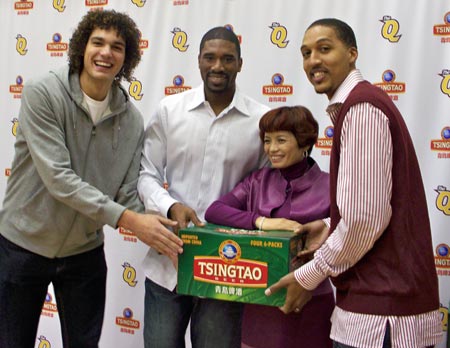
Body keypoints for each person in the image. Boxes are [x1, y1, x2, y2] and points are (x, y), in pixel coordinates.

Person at [0, 10, 182, 348]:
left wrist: (162, 225)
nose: (106, 53)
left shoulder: (131, 121)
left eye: (117, 47)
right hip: (22, 246)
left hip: (84, 252)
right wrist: (130, 220)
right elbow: (59, 178)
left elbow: (127, 193)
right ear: (82, 47)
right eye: (98, 42)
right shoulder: (43, 93)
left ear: (127, 59)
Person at [265, 18, 443, 348]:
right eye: (305, 52)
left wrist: (309, 275)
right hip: (382, 311)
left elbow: (364, 219)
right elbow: (371, 209)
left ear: (352, 54)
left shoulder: (361, 108)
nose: (312, 60)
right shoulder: (360, 105)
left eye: (324, 48)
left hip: (380, 319)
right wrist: (329, 226)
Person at [137, 26, 270, 348]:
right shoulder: (170, 111)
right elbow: (146, 173)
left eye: (227, 58)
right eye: (210, 57)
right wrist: (170, 206)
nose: (218, 66)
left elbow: (266, 191)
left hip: (227, 265)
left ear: (240, 64)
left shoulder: (261, 120)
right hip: (168, 256)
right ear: (198, 61)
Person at [205, 105, 334, 348]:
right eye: (267, 140)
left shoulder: (330, 186)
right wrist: (261, 221)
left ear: (304, 143)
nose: (272, 149)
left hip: (311, 302)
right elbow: (215, 211)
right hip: (261, 304)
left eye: (281, 140)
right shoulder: (257, 180)